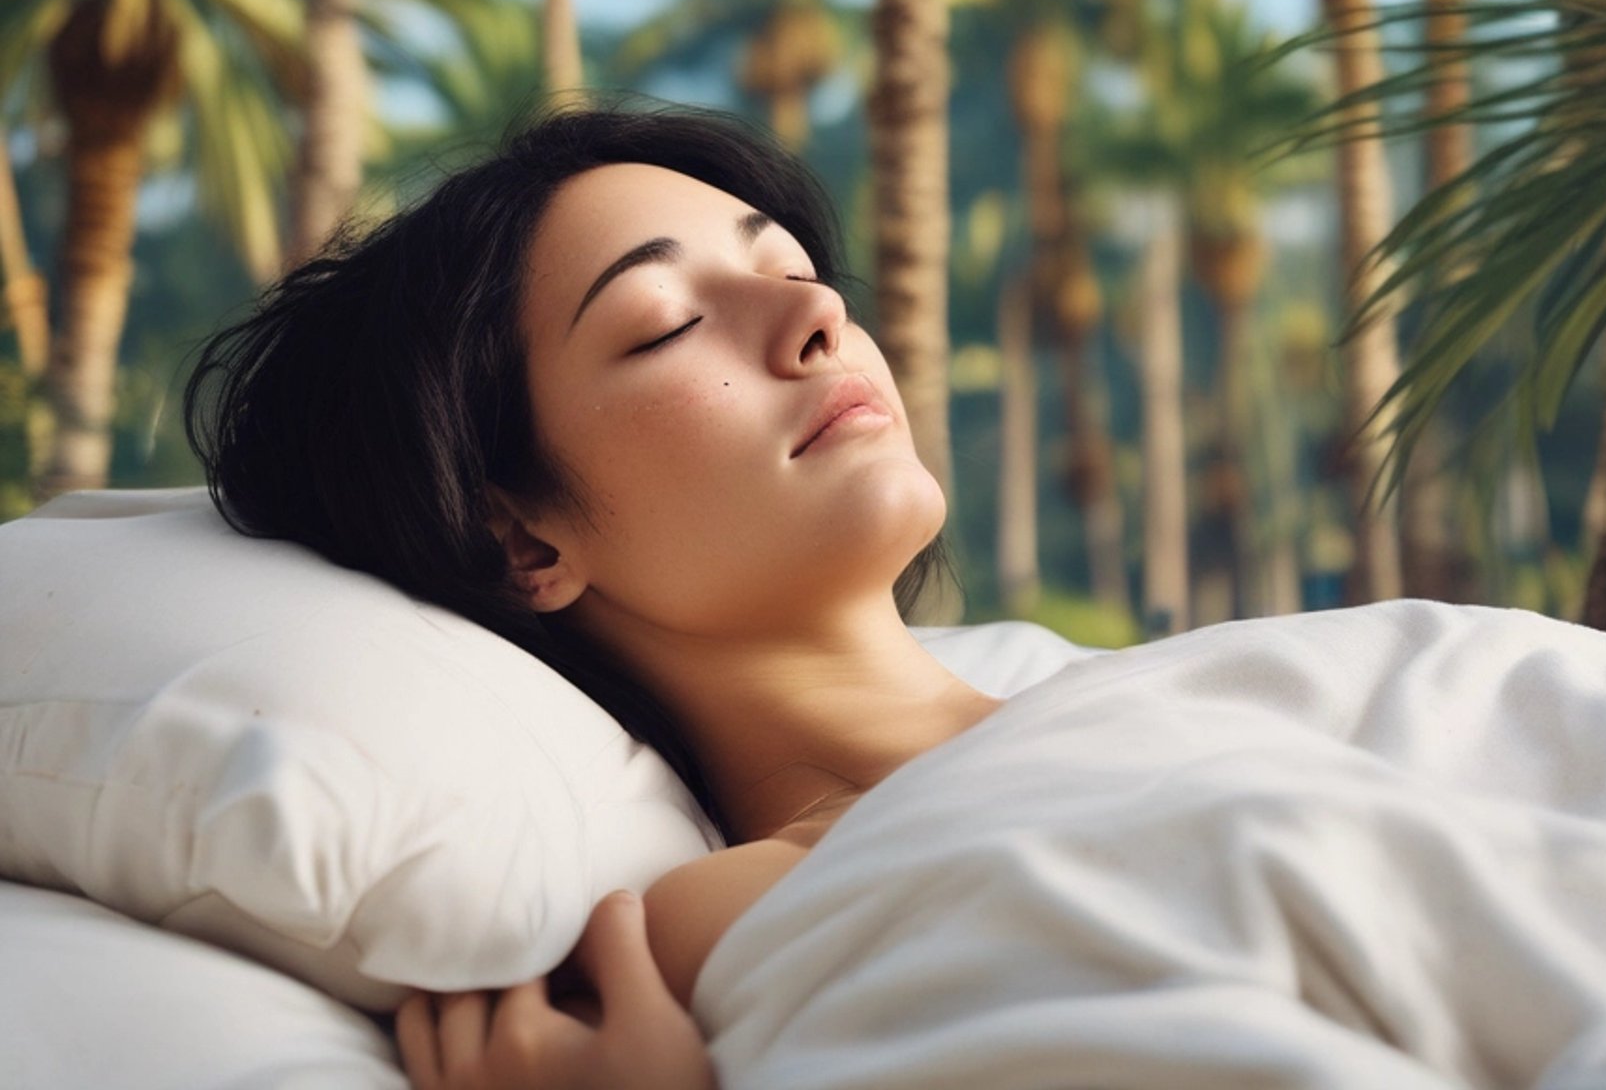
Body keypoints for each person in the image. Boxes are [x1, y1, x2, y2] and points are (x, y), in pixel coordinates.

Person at [184, 102, 1004, 1090]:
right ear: (521, 538)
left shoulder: (1165, 683)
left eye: (794, 271)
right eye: (668, 325)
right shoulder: (714, 932)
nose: (816, 315)